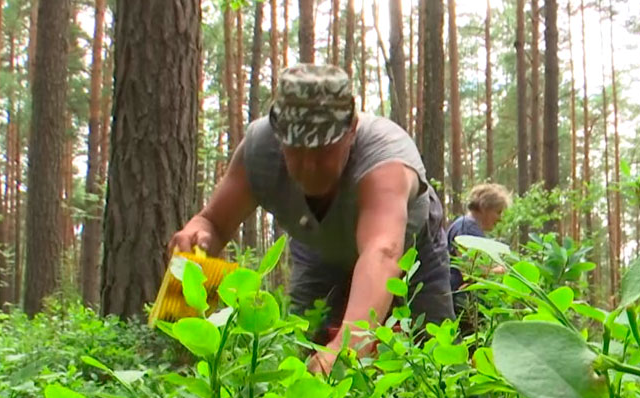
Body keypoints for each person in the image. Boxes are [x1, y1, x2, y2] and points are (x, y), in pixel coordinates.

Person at [167, 64, 454, 375]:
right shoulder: (260, 149)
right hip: (320, 248)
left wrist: (348, 342)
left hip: (412, 252)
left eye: (323, 152)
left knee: (433, 359)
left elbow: (382, 251)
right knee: (308, 349)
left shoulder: (384, 157)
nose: (308, 167)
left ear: (351, 130)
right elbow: (213, 222)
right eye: (296, 150)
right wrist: (199, 235)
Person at [446, 183, 510, 336]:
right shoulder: (466, 229)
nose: (500, 219)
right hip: (462, 305)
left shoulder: (466, 227)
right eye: (498, 212)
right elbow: (469, 271)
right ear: (484, 207)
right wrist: (501, 269)